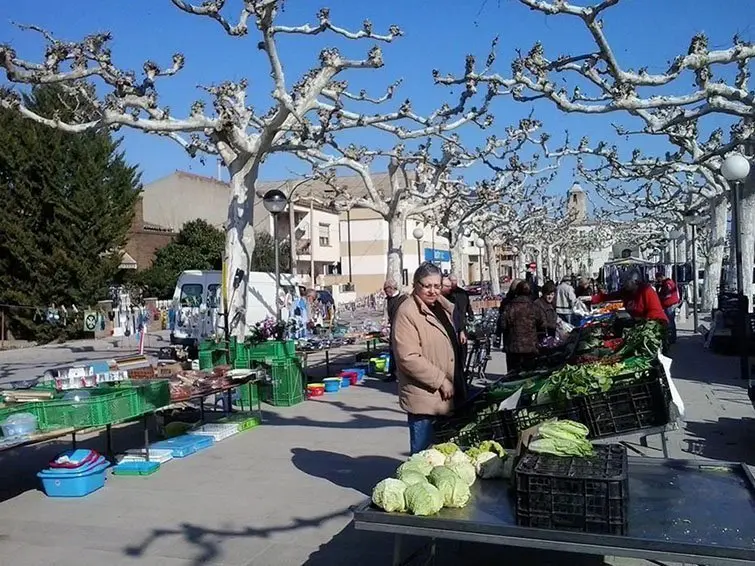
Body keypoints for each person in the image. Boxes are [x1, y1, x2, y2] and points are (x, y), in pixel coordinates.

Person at [393, 263, 465, 454]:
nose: (432, 291)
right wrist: (441, 380)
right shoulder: (408, 312)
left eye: (437, 286)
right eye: (427, 286)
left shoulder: (440, 307)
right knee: (423, 456)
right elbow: (409, 357)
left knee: (443, 456)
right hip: (425, 397)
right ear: (416, 285)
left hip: (447, 395)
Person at [500, 281, 546, 372]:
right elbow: (543, 324)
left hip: (513, 347)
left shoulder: (509, 307)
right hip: (530, 347)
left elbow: (503, 325)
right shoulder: (534, 307)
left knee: (512, 375)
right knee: (528, 375)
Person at [592, 270, 668, 324]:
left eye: (626, 282)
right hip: (640, 323)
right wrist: (590, 299)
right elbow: (609, 296)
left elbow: (654, 311)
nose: (624, 284)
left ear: (635, 281)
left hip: (655, 324)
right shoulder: (626, 291)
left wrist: (642, 321)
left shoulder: (646, 290)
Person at [382, 279, 407, 382]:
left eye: (386, 289)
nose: (385, 292)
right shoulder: (387, 300)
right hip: (392, 327)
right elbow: (386, 314)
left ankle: (404, 373)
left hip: (403, 328)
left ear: (391, 288)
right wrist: (385, 325)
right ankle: (393, 373)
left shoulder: (404, 299)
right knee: (392, 351)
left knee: (402, 351)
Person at [655, 271, 680, 344]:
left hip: (669, 304)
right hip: (671, 304)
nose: (658, 280)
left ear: (661, 277)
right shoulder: (669, 282)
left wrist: (660, 296)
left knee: (670, 321)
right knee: (670, 321)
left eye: (658, 278)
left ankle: (672, 338)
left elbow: (667, 295)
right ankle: (672, 337)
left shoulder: (667, 283)